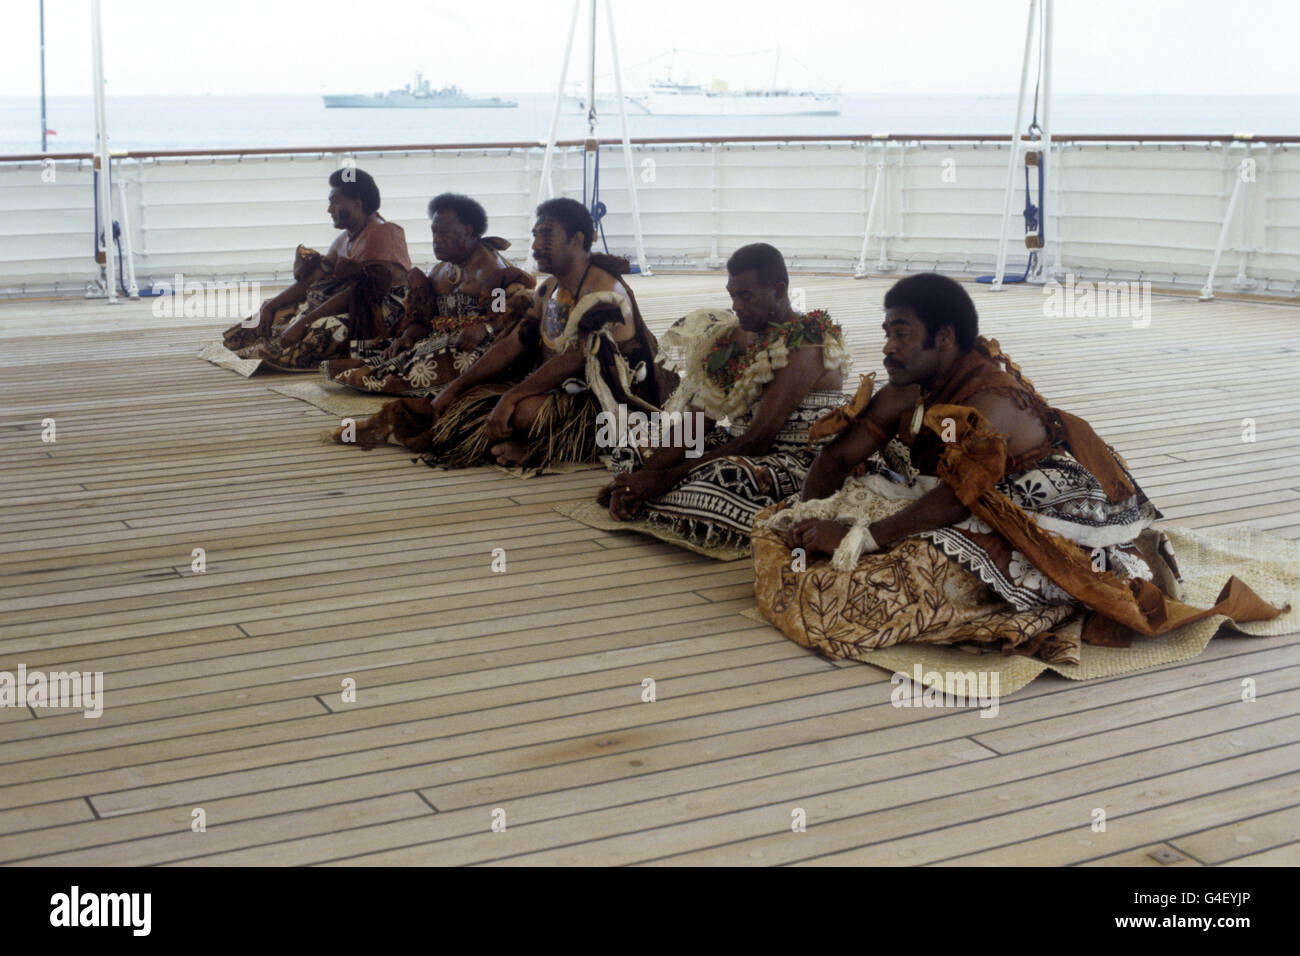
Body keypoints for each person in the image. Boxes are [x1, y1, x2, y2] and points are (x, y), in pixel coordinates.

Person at [752, 272, 1284, 663]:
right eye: (886, 332)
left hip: (1036, 516)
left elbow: (957, 497)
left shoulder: (991, 403)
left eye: (902, 334)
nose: (888, 348)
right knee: (782, 533)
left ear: (944, 337)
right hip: (959, 499)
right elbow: (837, 456)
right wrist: (809, 517)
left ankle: (1094, 578)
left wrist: (857, 538)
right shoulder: (907, 388)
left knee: (850, 600)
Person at [333, 197, 672, 472]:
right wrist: (454, 388)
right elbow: (514, 342)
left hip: (603, 403)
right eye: (535, 235)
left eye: (547, 236)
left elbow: (574, 360)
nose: (536, 245)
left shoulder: (603, 292)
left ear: (577, 239)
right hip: (557, 387)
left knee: (520, 412)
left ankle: (541, 448)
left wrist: (511, 397)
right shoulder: (549, 287)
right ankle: (427, 425)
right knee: (466, 400)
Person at [596, 243, 852, 554]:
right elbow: (698, 422)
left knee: (725, 476)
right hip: (738, 446)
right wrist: (646, 473)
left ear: (778, 290)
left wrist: (662, 479)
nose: (737, 305)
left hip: (796, 461)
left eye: (747, 296)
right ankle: (642, 492)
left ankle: (650, 496)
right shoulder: (733, 338)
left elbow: (758, 439)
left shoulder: (808, 343)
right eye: (733, 295)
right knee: (632, 448)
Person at [322, 192, 534, 395]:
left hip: (473, 347)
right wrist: (407, 337)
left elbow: (503, 320)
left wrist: (484, 328)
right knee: (392, 347)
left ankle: (376, 376)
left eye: (444, 232)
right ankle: (370, 368)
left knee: (442, 352)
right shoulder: (439, 271)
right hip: (437, 339)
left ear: (468, 231)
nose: (436, 239)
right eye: (434, 231)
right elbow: (423, 319)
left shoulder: (493, 273)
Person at [222, 168, 411, 371]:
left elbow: (355, 293)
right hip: (341, 304)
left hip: (376, 316)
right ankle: (271, 341)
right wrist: (269, 307)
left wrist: (301, 324)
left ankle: (277, 350)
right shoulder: (345, 238)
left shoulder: (380, 233)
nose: (330, 209)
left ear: (358, 203)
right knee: (265, 319)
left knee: (322, 329)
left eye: (335, 202)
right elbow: (310, 281)